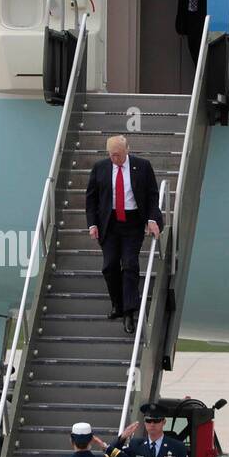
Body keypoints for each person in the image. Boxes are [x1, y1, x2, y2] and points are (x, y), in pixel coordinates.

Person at [85, 135, 164, 334]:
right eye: (112, 156)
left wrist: (153, 219)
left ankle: (129, 312)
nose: (115, 160)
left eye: (119, 156)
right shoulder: (100, 168)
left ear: (127, 150)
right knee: (109, 266)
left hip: (132, 223)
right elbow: (91, 198)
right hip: (109, 224)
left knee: (130, 265)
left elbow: (153, 195)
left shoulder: (142, 166)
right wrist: (92, 224)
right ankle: (117, 305)